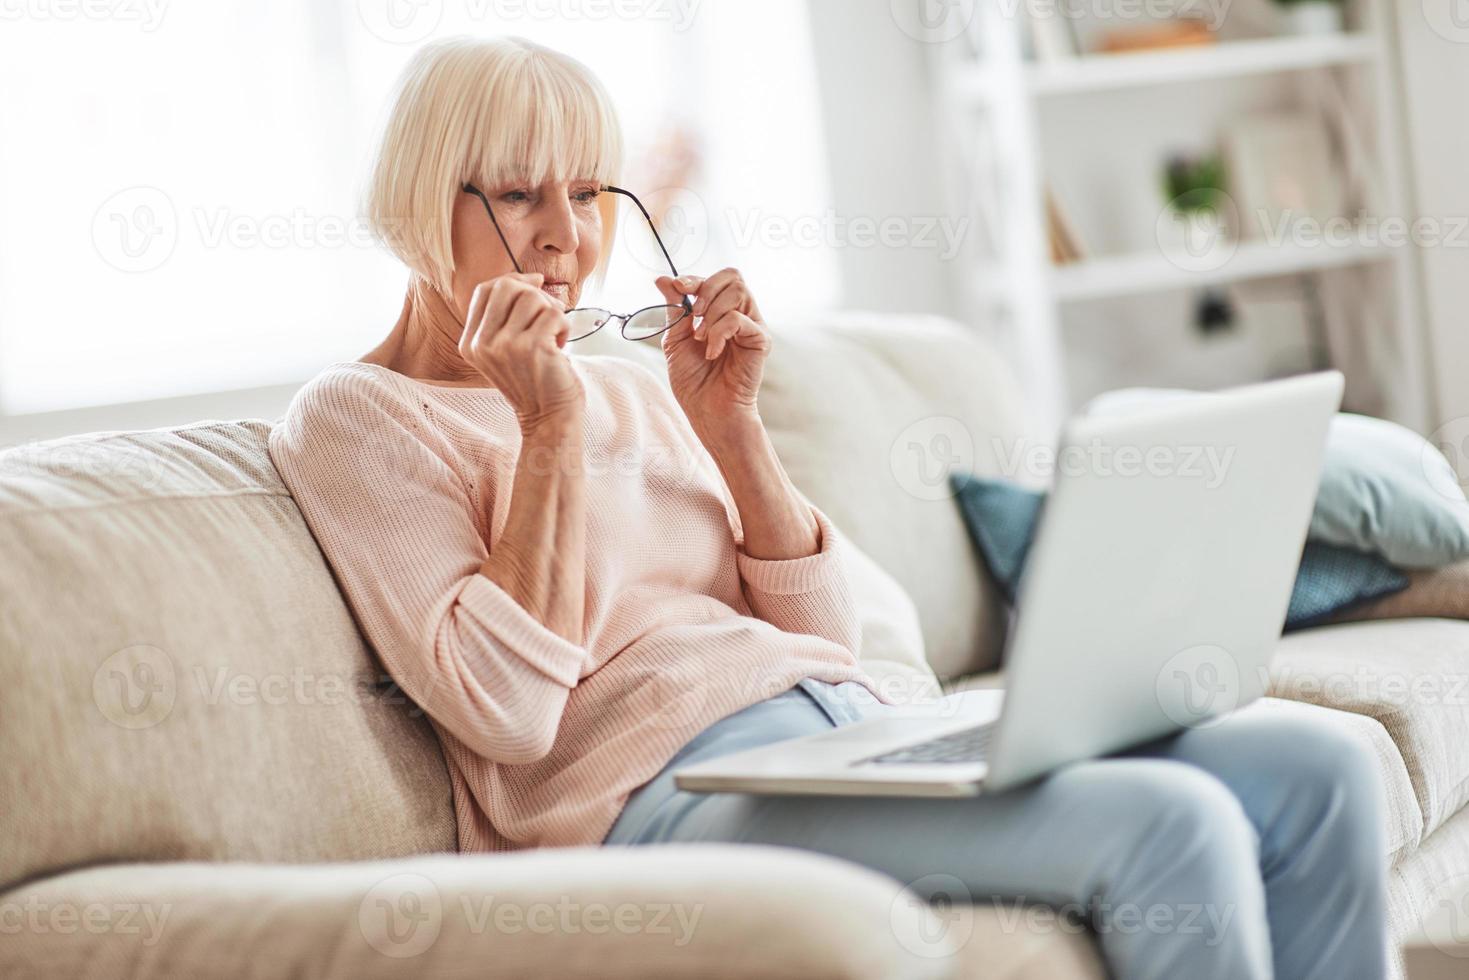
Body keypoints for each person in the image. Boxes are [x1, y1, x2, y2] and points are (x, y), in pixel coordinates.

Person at [269, 36, 1388, 979]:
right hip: (654, 806)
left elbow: (819, 645)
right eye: (519, 195)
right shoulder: (360, 418)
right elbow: (507, 711)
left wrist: (731, 430)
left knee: (1316, 766)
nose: (566, 236)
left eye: (588, 192)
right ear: (427, 202)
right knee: (1169, 823)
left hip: (840, 737)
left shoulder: (621, 381)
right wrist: (546, 430)